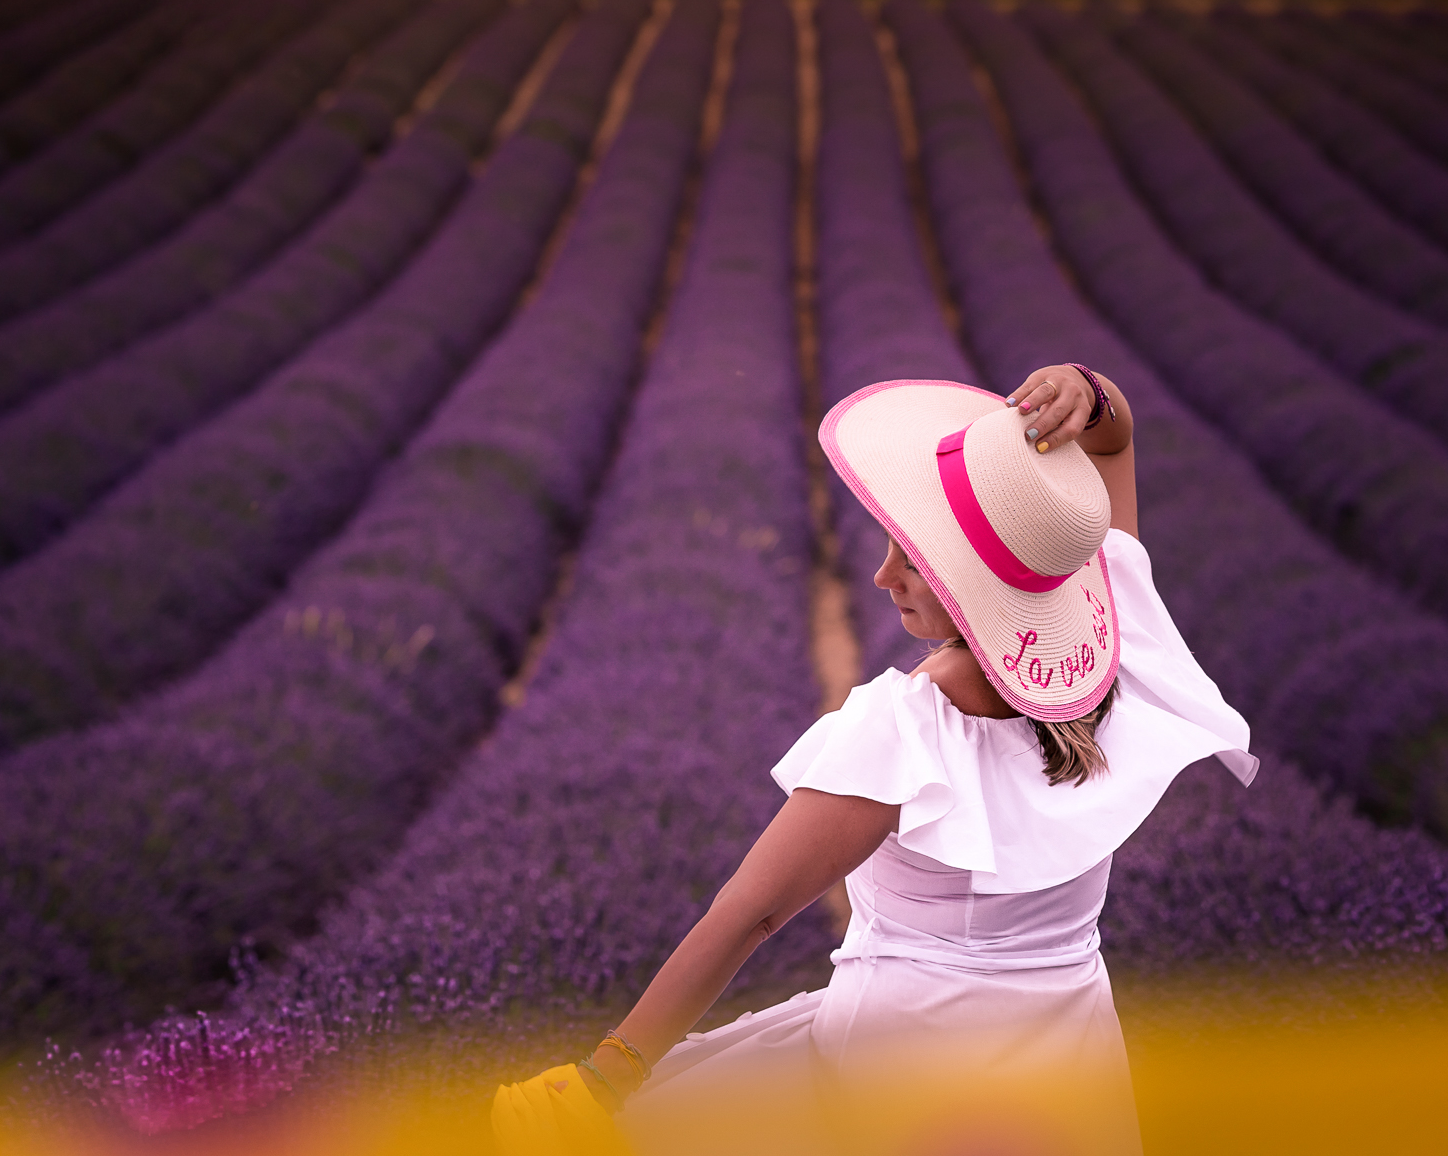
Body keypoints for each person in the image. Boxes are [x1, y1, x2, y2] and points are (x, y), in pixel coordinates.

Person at [492, 363, 1256, 1153]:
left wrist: (604, 1077)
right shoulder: (1116, 646)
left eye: (915, 560)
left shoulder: (909, 733)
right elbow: (1115, 446)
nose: (883, 574)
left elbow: (751, 913)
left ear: (976, 583)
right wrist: (1090, 395)